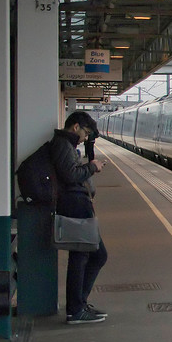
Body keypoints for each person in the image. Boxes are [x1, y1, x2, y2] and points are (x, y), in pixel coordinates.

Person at [50, 111, 108, 324]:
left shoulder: (67, 146)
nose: (85, 138)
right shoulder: (62, 145)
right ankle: (75, 309)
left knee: (89, 255)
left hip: (79, 205)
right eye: (86, 133)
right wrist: (92, 167)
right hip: (74, 206)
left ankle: (79, 305)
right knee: (88, 256)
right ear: (76, 127)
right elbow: (71, 176)